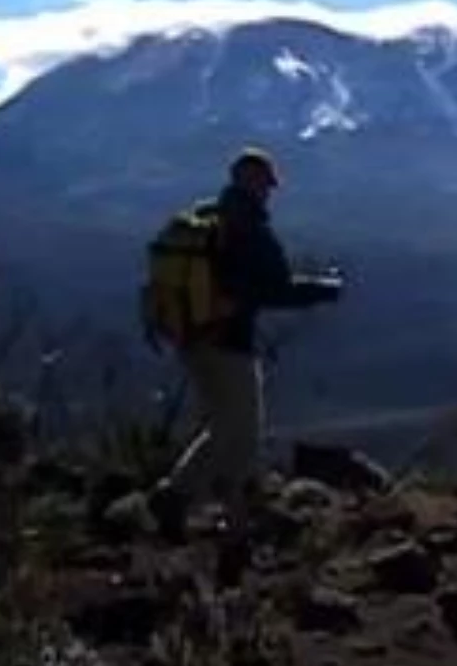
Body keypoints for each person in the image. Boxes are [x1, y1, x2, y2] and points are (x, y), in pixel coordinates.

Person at [147, 147, 343, 585]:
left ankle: (176, 496)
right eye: (267, 183)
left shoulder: (209, 219)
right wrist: (323, 290)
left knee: (222, 425)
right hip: (229, 345)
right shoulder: (249, 229)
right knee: (242, 434)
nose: (270, 192)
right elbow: (273, 288)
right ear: (256, 183)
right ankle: (233, 531)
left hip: (193, 340)